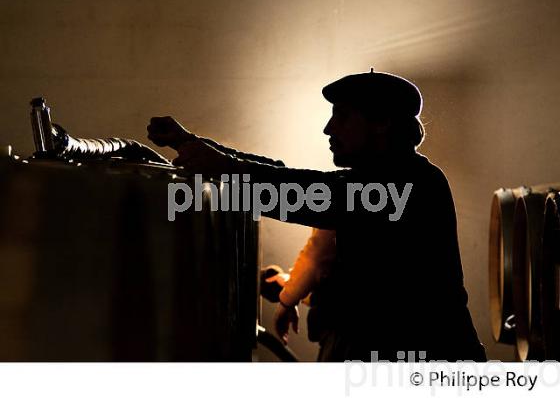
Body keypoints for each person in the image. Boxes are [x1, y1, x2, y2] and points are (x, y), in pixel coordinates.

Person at [147, 70, 487, 361]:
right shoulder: (388, 180)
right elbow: (285, 176)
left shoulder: (407, 185)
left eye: (341, 116)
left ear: (382, 123)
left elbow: (302, 193)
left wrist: (221, 165)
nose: (328, 128)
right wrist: (192, 144)